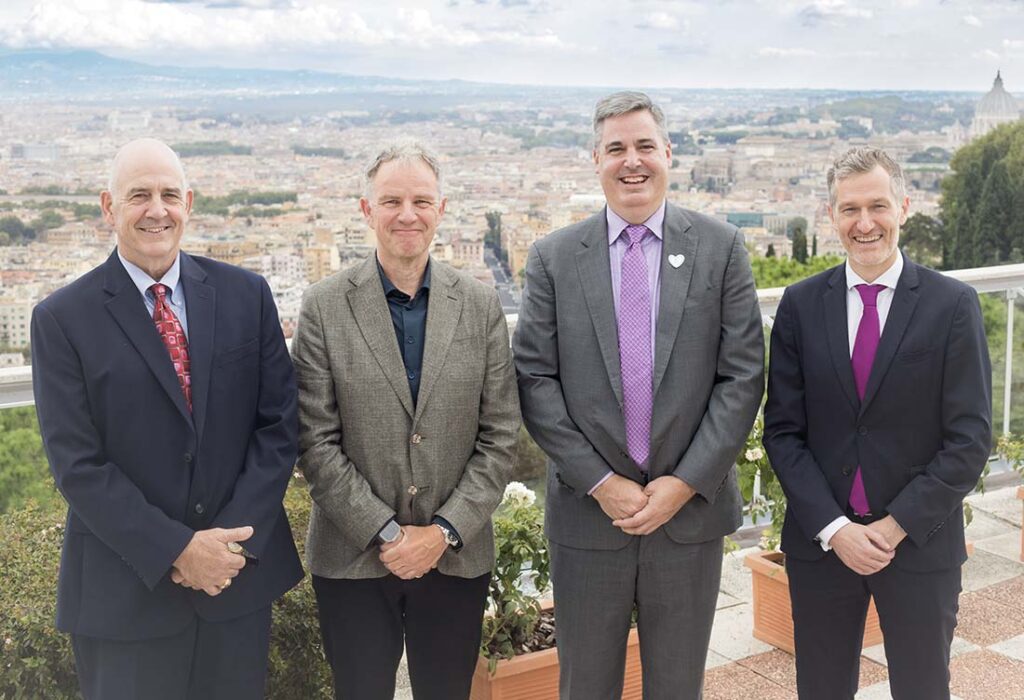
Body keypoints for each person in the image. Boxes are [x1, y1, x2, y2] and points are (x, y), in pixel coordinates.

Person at [512, 91, 764, 699]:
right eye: (617, 148)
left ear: (668, 154)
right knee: (586, 687)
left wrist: (684, 483)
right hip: (587, 516)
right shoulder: (551, 258)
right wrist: (602, 482)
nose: (633, 162)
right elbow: (534, 380)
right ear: (594, 159)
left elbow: (742, 375)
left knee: (678, 687)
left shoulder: (720, 246)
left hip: (689, 516)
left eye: (645, 146)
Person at [30, 138, 303, 700]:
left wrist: (226, 551)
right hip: (125, 596)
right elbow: (78, 466)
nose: (157, 209)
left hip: (236, 587)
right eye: (139, 196)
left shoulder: (246, 295)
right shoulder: (61, 319)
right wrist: (179, 550)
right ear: (108, 207)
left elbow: (278, 429)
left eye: (169, 195)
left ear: (190, 203)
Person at [292, 140, 519, 700]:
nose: (407, 214)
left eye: (421, 200)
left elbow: (501, 434)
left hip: (455, 555)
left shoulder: (481, 305)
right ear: (367, 210)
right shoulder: (323, 306)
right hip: (352, 557)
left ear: (441, 209)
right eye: (391, 200)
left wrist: (441, 532)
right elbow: (314, 441)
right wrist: (390, 533)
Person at [763, 146, 992, 700]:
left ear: (904, 206)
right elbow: (783, 433)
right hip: (822, 546)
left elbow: (970, 440)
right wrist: (836, 530)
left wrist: (892, 528)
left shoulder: (952, 305)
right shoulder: (798, 305)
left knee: (922, 687)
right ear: (832, 215)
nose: (864, 223)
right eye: (849, 209)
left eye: (878, 206)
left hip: (918, 543)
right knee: (820, 688)